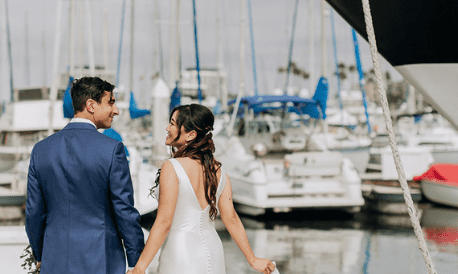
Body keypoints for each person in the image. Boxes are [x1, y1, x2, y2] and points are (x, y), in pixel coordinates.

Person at [130, 104, 276, 274]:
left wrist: (139, 268)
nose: (167, 128)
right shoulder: (218, 171)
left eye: (173, 124)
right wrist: (253, 259)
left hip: (181, 252)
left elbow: (164, 222)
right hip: (213, 251)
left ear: (190, 135)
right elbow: (231, 219)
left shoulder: (172, 167)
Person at [25, 76, 145, 273]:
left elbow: (34, 213)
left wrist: (40, 255)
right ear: (91, 105)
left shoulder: (41, 150)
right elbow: (124, 210)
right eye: (110, 102)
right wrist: (136, 260)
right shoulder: (112, 149)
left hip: (55, 260)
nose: (115, 110)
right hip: (101, 259)